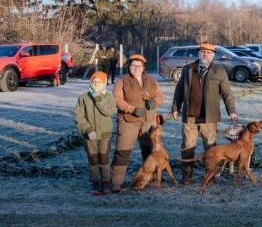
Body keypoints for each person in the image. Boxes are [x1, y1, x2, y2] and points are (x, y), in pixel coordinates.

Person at [172, 43, 238, 185]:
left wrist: (231, 111)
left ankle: (211, 175)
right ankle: (187, 176)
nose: (205, 55)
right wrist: (175, 107)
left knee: (210, 148)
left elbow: (227, 93)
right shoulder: (188, 69)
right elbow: (179, 90)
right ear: (199, 53)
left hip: (209, 118)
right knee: (187, 147)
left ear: (213, 55)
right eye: (202, 52)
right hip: (189, 116)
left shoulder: (219, 71)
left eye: (208, 52)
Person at [110, 54, 163, 192]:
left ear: (144, 67)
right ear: (129, 66)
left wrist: (155, 102)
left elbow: (159, 95)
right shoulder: (122, 81)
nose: (136, 68)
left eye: (139, 66)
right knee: (122, 152)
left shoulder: (151, 80)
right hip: (128, 122)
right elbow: (116, 99)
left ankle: (149, 178)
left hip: (149, 122)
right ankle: (115, 183)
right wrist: (131, 109)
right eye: (133, 65)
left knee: (149, 151)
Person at [74, 71, 116, 195]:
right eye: (94, 81)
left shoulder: (109, 97)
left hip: (105, 134)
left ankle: (106, 182)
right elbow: (78, 116)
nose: (96, 83)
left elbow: (109, 112)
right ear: (91, 82)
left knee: (103, 158)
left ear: (104, 83)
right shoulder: (83, 97)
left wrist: (97, 98)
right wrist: (87, 129)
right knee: (93, 159)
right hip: (90, 135)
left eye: (99, 82)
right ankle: (96, 183)